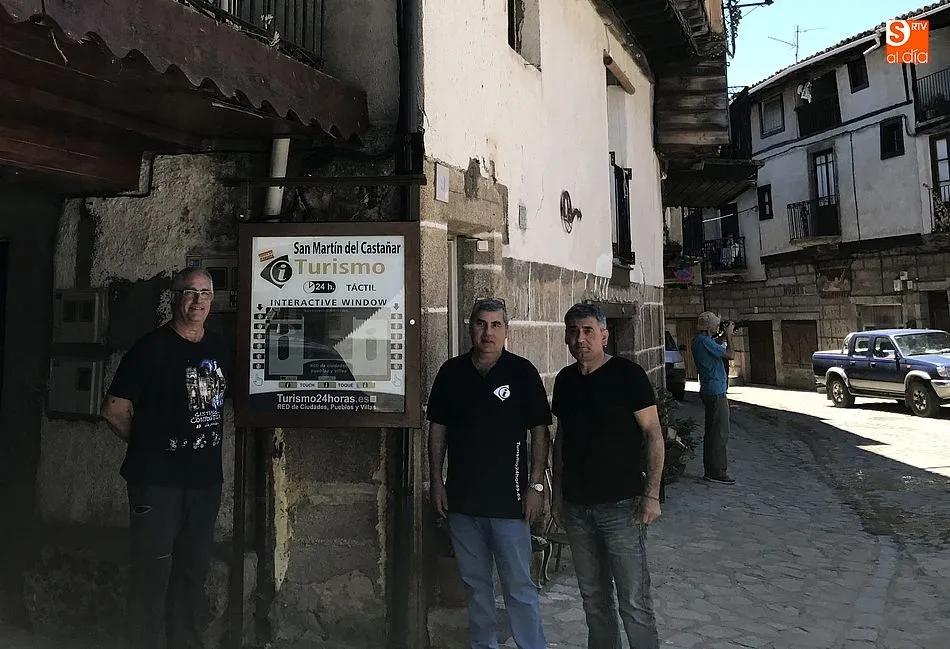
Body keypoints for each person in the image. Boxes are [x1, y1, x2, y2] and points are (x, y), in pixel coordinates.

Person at [101, 268, 231, 649]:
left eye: (205, 293)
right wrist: (149, 445)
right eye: (189, 292)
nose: (197, 301)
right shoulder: (149, 350)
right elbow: (114, 410)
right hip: (156, 484)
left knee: (192, 571)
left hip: (205, 484)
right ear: (174, 297)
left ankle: (184, 643)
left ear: (212, 301)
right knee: (152, 574)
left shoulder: (219, 349)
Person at [427, 297, 551, 649]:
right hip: (463, 502)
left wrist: (536, 486)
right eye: (481, 324)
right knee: (475, 587)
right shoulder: (451, 373)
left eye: (496, 325)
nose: (488, 332)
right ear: (471, 327)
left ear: (506, 330)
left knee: (519, 587)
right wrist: (436, 480)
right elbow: (438, 428)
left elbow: (540, 431)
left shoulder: (522, 372)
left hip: (510, 503)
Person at [550, 303, 665, 649]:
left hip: (622, 507)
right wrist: (557, 495)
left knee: (634, 601)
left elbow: (653, 434)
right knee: (593, 598)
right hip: (577, 506)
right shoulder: (565, 380)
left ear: (604, 335)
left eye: (588, 331)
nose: (580, 338)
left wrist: (651, 495)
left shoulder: (628, 375)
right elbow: (562, 440)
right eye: (573, 331)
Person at [691, 311, 735, 485]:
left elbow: (715, 346)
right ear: (710, 327)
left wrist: (723, 336)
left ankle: (711, 469)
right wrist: (729, 335)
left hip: (709, 389)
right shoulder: (704, 341)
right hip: (716, 391)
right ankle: (717, 472)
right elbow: (730, 354)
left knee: (712, 432)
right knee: (720, 433)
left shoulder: (699, 341)